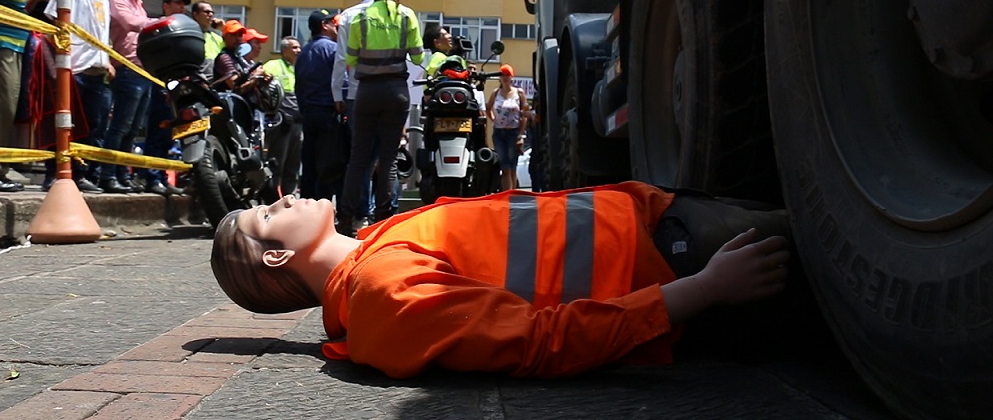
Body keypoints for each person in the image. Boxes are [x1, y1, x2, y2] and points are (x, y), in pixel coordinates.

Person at [210, 181, 791, 378]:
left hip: (667, 222)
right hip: (688, 262)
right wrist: (706, 289)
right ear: (276, 258)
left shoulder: (378, 245)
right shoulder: (383, 294)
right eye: (269, 213)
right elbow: (542, 341)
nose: (284, 197)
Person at [338, 0, 424, 234]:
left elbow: (350, 58)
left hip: (367, 92)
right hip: (397, 91)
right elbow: (419, 57)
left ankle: (346, 220)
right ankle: (384, 220)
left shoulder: (360, 16)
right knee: (388, 159)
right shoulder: (406, 15)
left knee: (358, 159)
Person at [41, 0, 115, 194]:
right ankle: (53, 174)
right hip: (73, 68)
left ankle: (79, 175)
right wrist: (62, 57)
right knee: (64, 124)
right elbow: (54, 19)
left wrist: (107, 59)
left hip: (97, 70)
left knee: (91, 127)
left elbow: (101, 33)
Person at [0, 0, 51, 191]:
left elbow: (19, 11)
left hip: (16, 47)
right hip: (0, 45)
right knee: (1, 108)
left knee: (9, 110)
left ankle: (1, 168)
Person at [99, 0, 155, 194]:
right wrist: (160, 22)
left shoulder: (139, 3)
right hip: (127, 69)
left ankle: (123, 175)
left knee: (133, 130)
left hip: (143, 71)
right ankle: (108, 175)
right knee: (120, 126)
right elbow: (131, 24)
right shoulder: (118, 1)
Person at [135, 0, 192, 196]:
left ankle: (160, 177)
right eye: (177, 4)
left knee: (169, 136)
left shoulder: (183, 29)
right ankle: (151, 177)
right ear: (166, 6)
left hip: (175, 86)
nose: (181, 8)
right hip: (159, 84)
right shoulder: (158, 28)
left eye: (183, 4)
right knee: (157, 133)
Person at [331, 0, 373, 222]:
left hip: (357, 93)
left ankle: (355, 215)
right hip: (390, 92)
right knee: (384, 160)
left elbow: (341, 60)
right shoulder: (398, 15)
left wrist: (338, 93)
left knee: (359, 157)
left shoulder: (348, 15)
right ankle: (378, 214)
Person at [295, 10, 345, 202]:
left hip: (308, 114)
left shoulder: (304, 52)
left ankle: (306, 207)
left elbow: (299, 86)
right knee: (329, 165)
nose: (336, 28)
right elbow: (343, 80)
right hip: (328, 114)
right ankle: (322, 209)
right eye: (333, 24)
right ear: (324, 25)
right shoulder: (333, 49)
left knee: (309, 165)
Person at [263, 36, 302, 197]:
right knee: (277, 162)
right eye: (294, 47)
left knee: (293, 164)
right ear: (284, 50)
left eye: (299, 47)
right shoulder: (272, 65)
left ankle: (289, 198)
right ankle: (272, 200)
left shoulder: (298, 68)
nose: (298, 51)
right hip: (281, 122)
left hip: (298, 122)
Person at [487, 64, 528, 191]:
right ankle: (506, 194)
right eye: (502, 75)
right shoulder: (496, 93)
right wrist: (493, 119)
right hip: (499, 133)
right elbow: (488, 108)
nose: (505, 77)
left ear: (512, 77)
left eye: (507, 75)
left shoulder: (519, 93)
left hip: (513, 133)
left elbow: (524, 114)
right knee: (504, 166)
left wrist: (520, 135)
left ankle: (513, 193)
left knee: (512, 166)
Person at [190, 0, 222, 80]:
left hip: (216, 83)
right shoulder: (190, 36)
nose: (211, 15)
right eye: (207, 12)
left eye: (212, 12)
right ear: (196, 15)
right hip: (198, 83)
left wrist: (224, 28)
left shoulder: (217, 37)